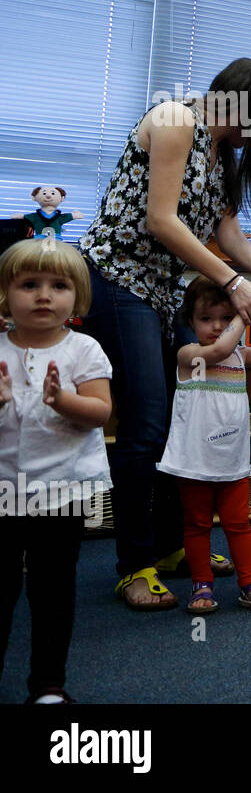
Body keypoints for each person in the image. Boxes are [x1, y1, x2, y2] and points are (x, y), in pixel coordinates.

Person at [78, 58, 251, 610]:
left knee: (184, 419)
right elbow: (162, 220)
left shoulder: (220, 156)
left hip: (164, 292)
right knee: (148, 426)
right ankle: (134, 565)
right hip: (118, 280)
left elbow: (227, 230)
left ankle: (175, 547)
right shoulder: (176, 119)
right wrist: (229, 279)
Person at [0, 240, 112, 703]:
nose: (44, 295)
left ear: (77, 296)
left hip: (60, 491)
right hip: (4, 491)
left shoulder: (82, 349)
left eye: (59, 285)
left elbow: (102, 411)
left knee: (53, 592)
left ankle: (48, 683)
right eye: (30, 284)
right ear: (6, 294)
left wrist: (62, 401)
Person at [158, 276, 251, 614]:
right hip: (193, 461)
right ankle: (201, 584)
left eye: (224, 317)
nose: (217, 326)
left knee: (238, 525)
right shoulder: (190, 355)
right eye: (206, 319)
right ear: (190, 322)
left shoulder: (240, 356)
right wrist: (243, 313)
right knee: (198, 525)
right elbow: (218, 349)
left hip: (231, 460)